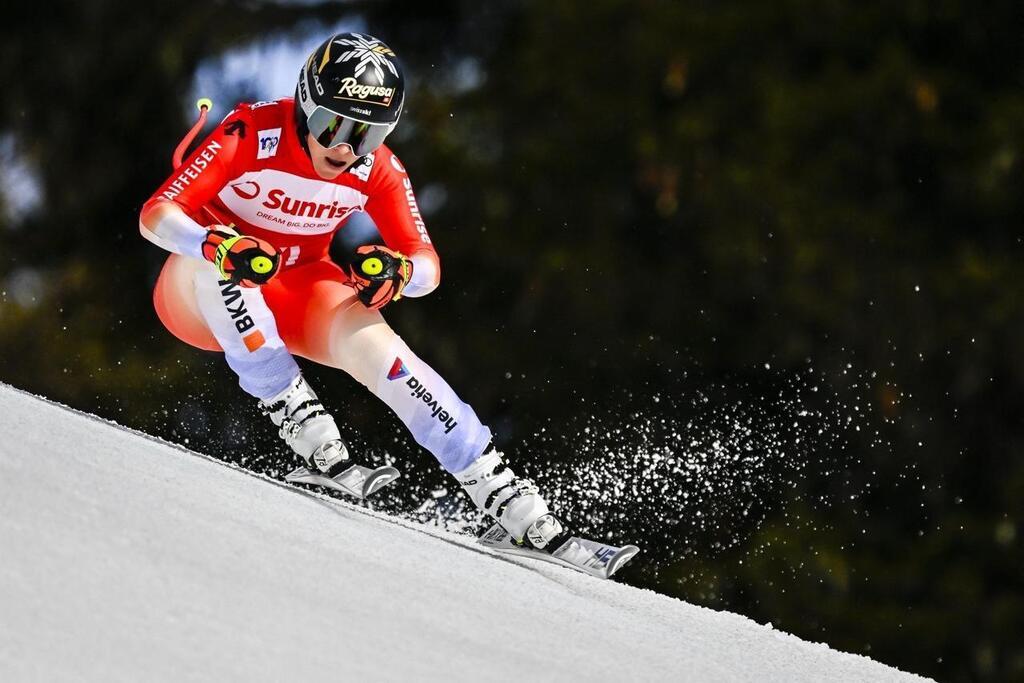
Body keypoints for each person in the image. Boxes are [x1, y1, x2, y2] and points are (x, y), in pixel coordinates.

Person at [139, 32, 567, 551]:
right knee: (224, 271)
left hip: (300, 286)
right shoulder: (252, 132)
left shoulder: (378, 167)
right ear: (304, 105)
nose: (345, 148)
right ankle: (305, 428)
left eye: (367, 134)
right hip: (199, 296)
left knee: (382, 349)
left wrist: (398, 272)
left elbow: (428, 264)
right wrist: (215, 244)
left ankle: (505, 495)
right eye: (333, 124)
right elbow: (155, 215)